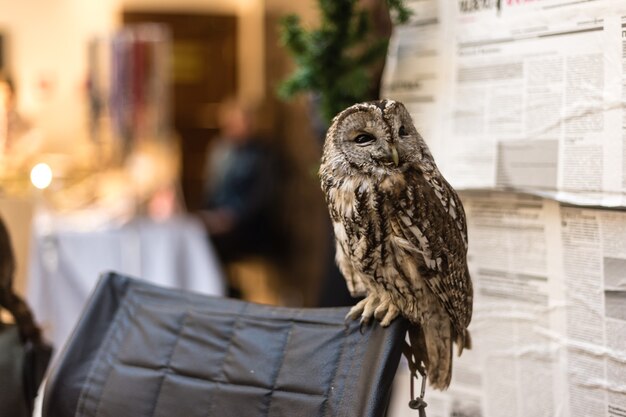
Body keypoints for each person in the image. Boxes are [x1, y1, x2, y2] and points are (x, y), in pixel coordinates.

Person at [199, 99, 279, 299]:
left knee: (211, 244)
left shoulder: (262, 154)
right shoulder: (220, 150)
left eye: (241, 122)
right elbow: (211, 189)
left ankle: (225, 293)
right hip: (217, 217)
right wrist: (209, 216)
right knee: (195, 235)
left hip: (248, 224)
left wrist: (231, 218)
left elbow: (261, 198)